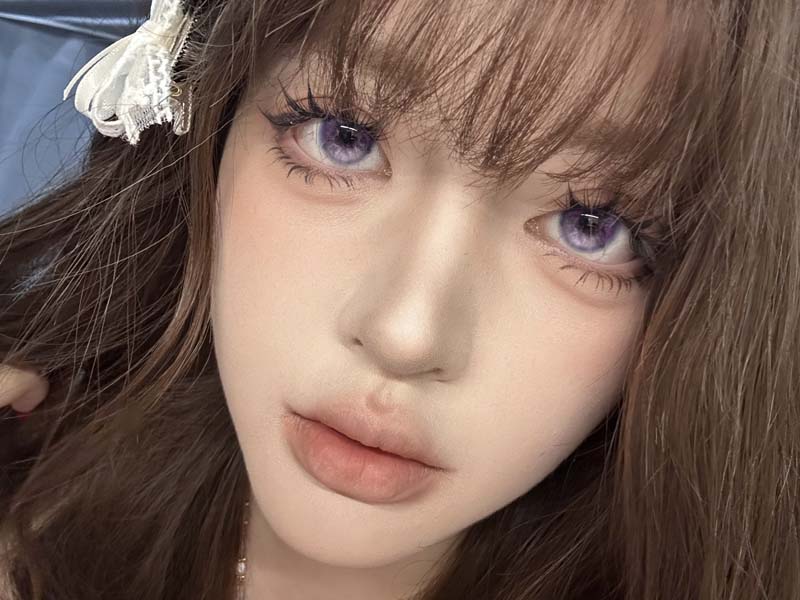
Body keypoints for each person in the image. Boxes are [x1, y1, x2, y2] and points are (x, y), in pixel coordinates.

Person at [1, 0, 798, 599]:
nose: (405, 334)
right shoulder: (47, 489)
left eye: (593, 224)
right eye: (342, 136)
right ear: (213, 129)